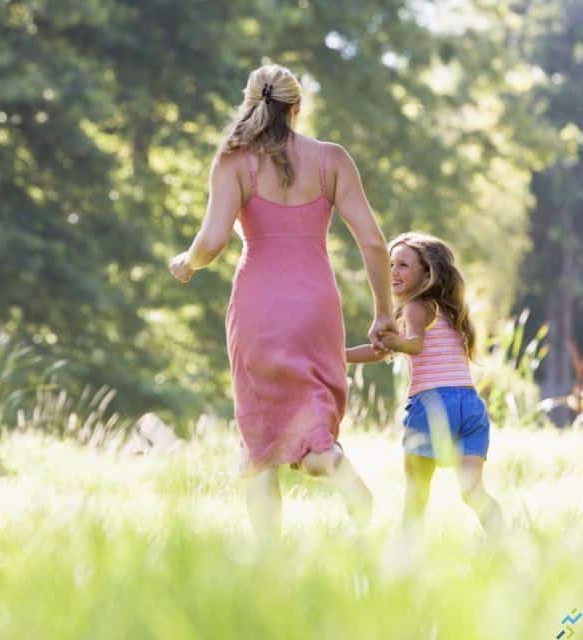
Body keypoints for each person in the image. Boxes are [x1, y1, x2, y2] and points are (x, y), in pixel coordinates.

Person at [170, 64, 395, 538]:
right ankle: (328, 458)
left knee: (259, 441)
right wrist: (383, 314)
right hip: (317, 305)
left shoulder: (233, 161)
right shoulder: (332, 159)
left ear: (250, 102)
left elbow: (212, 242)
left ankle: (269, 561)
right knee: (311, 412)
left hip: (259, 306)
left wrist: (188, 262)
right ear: (297, 107)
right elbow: (374, 243)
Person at [346, 232, 504, 534]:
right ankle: (506, 541)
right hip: (470, 406)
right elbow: (384, 351)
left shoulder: (416, 307)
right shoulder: (453, 311)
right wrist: (340, 355)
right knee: (473, 493)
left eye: (403, 265)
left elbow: (414, 345)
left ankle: (408, 552)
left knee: (417, 491)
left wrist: (396, 341)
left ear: (427, 272)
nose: (393, 272)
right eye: (391, 264)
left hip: (434, 404)